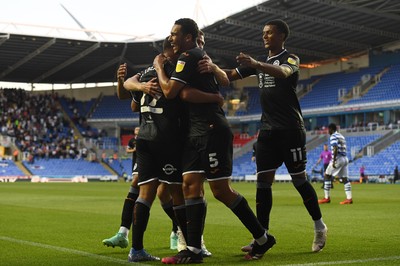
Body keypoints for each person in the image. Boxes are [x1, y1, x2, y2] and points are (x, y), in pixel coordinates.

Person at [154, 18, 272, 264]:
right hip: (195, 132)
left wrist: (157, 66)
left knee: (220, 190)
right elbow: (192, 91)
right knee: (190, 185)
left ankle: (262, 237)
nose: (171, 37)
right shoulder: (188, 58)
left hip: (211, 130)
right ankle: (194, 250)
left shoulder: (189, 55)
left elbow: (172, 92)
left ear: (188, 36)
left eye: (175, 33)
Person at [210, 19, 327, 253]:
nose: (265, 36)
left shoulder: (290, 58)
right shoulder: (259, 63)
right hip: (267, 131)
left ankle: (319, 227)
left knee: (299, 180)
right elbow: (229, 75)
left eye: (270, 33)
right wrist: (211, 67)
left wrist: (256, 64)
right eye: (263, 33)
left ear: (282, 36)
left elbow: (284, 72)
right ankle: (261, 238)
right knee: (263, 184)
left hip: (291, 130)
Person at [122, 36, 222, 262]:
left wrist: (139, 86)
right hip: (166, 139)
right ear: (173, 52)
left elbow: (130, 98)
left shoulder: (147, 72)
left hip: (144, 138)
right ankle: (191, 246)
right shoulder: (172, 71)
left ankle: (136, 249)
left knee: (145, 195)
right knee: (178, 193)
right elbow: (177, 93)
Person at [318, 123, 353, 204]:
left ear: (331, 129)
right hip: (345, 158)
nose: (328, 131)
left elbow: (335, 147)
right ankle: (349, 198)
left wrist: (333, 160)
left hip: (338, 159)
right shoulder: (341, 136)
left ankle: (326, 198)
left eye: (328, 130)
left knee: (327, 175)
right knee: (344, 178)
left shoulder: (333, 136)